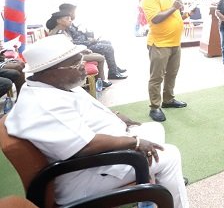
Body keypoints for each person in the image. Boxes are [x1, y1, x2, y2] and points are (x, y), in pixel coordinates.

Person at [4, 35, 189, 207]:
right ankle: (166, 189)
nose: (84, 66)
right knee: (170, 155)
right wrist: (135, 142)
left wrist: (115, 116)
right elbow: (85, 146)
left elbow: (82, 114)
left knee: (154, 128)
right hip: (86, 174)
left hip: (101, 159)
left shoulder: (53, 86)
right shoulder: (44, 104)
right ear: (50, 72)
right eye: (76, 63)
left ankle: (160, 183)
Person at [141, 0, 189, 122]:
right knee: (157, 77)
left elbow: (175, 17)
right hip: (159, 44)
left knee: (172, 73)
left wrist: (184, 13)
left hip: (175, 43)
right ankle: (155, 107)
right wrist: (174, 7)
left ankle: (168, 100)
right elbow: (155, 19)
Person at [59, 3, 127, 79]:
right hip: (84, 47)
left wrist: (88, 37)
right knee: (108, 48)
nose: (74, 14)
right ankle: (113, 73)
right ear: (69, 12)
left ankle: (114, 68)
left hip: (86, 43)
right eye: (73, 12)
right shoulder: (65, 27)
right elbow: (73, 43)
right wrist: (90, 41)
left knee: (107, 42)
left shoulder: (70, 23)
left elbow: (78, 36)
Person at [46, 11, 112, 89]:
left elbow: (70, 46)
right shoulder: (58, 34)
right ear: (59, 21)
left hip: (71, 54)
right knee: (100, 58)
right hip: (67, 58)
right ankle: (100, 82)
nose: (70, 20)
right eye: (67, 18)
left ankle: (97, 81)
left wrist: (83, 50)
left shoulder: (63, 31)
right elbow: (65, 51)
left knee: (97, 56)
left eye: (70, 18)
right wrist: (81, 52)